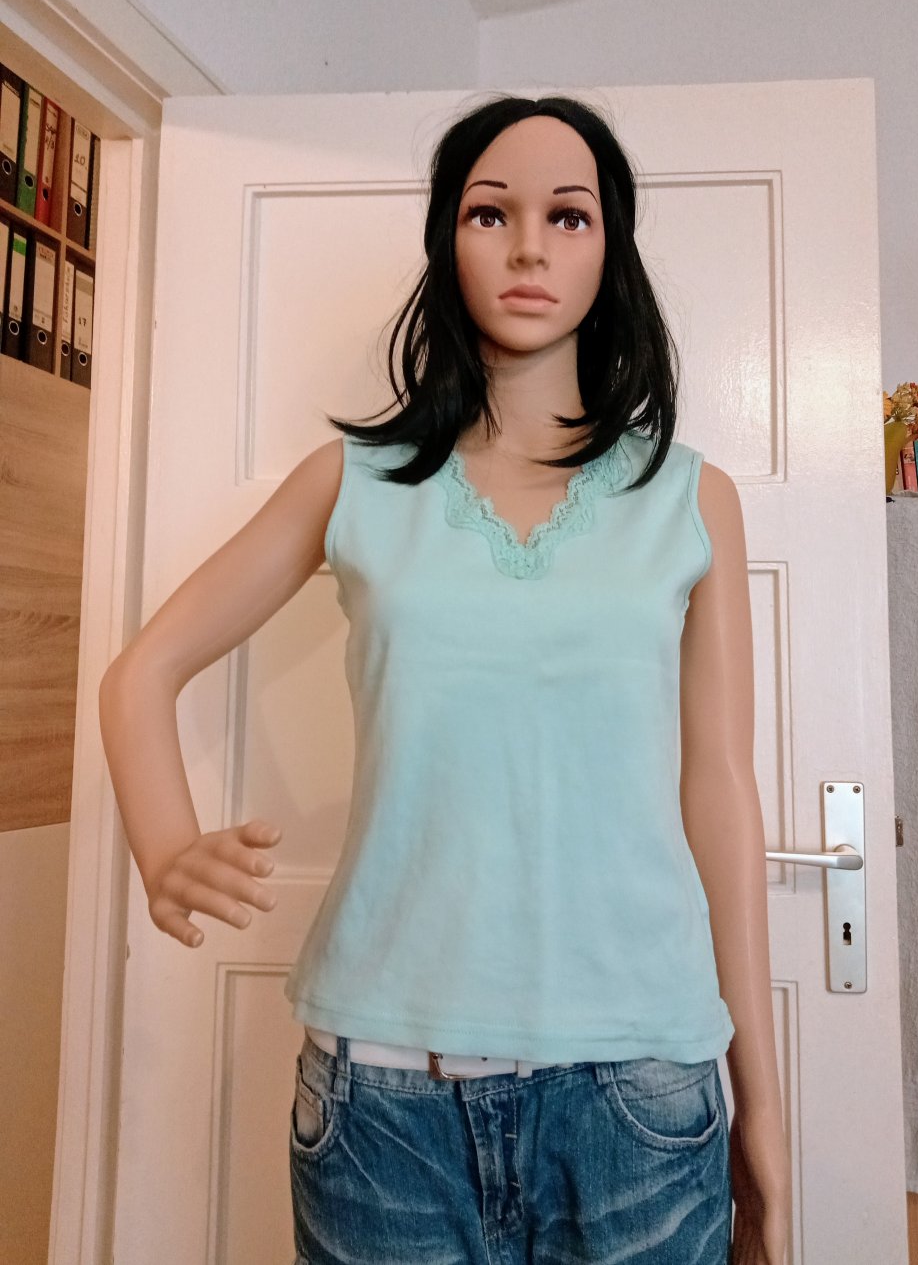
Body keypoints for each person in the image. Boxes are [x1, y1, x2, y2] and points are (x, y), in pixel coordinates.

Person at [99, 93, 791, 1264]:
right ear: (447, 239)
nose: (528, 247)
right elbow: (141, 671)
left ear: (610, 248)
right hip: (383, 1105)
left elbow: (718, 787)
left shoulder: (690, 499)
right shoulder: (351, 482)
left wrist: (760, 1095)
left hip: (639, 1093)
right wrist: (164, 844)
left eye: (567, 216)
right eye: (489, 212)